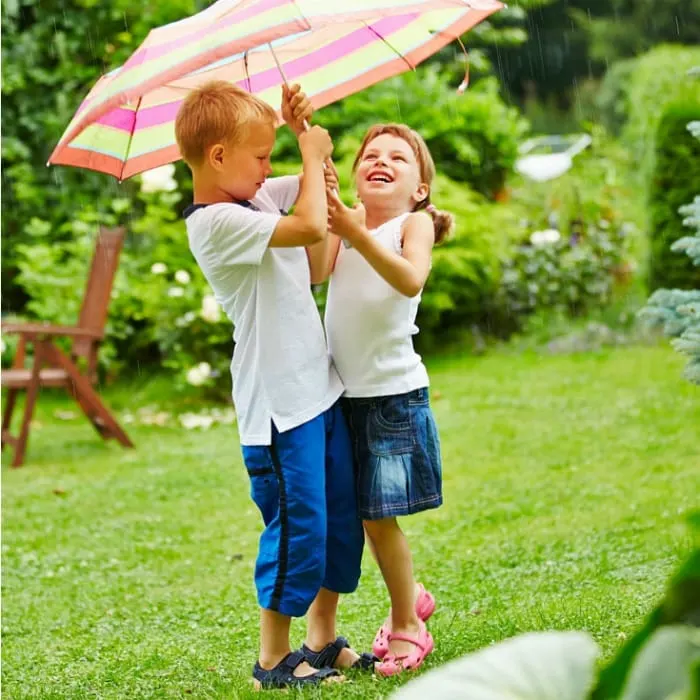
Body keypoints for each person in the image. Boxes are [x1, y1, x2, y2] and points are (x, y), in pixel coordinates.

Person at [174, 80, 367, 690]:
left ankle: (322, 637)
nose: (268, 168)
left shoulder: (254, 199)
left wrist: (302, 130)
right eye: (260, 156)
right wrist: (309, 153)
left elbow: (321, 197)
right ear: (218, 158)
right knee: (298, 526)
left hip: (320, 389)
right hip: (278, 409)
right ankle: (271, 659)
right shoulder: (215, 223)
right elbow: (311, 224)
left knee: (340, 517)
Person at [323, 123, 453, 676]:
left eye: (398, 157)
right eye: (370, 155)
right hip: (343, 397)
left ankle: (407, 625)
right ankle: (410, 597)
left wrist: (358, 229)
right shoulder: (344, 226)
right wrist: (322, 197)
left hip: (391, 397)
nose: (381, 160)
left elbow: (409, 279)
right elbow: (314, 271)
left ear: (419, 187)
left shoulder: (412, 224)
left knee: (381, 519)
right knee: (367, 518)